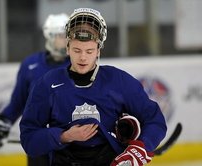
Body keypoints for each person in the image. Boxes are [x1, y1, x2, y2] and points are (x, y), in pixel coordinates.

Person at [20, 8, 167, 166]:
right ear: (67, 48)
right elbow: (29, 138)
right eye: (77, 50)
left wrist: (140, 149)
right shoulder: (48, 83)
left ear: (98, 51)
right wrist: (64, 136)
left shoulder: (118, 80)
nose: (83, 57)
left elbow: (155, 120)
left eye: (89, 51)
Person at [0, 13, 70, 166]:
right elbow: (18, 102)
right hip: (39, 143)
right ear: (49, 36)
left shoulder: (80, 65)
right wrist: (3, 122)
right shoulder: (31, 65)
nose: (65, 40)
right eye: (60, 36)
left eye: (68, 36)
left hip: (70, 144)